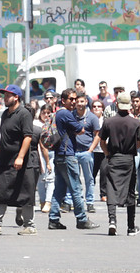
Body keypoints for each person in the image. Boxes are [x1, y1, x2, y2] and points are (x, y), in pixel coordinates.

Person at [0, 85, 37, 236]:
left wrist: (20, 157)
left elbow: (28, 136)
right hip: (5, 161)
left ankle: (29, 225)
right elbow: (3, 137)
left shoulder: (24, 114)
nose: (5, 98)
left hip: (21, 163)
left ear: (16, 97)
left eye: (8, 96)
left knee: (25, 194)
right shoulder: (5, 114)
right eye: (4, 95)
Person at [47, 88, 98, 230]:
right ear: (63, 100)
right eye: (71, 99)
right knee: (76, 188)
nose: (74, 102)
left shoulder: (59, 113)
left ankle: (54, 218)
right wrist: (76, 127)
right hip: (67, 155)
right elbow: (81, 129)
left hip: (60, 154)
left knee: (60, 189)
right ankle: (82, 219)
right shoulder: (65, 113)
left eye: (75, 99)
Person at [98, 92, 140, 236]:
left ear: (117, 104)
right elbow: (139, 142)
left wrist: (107, 154)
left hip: (114, 157)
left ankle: (112, 221)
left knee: (111, 188)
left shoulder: (109, 122)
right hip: (129, 158)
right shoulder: (136, 123)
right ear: (129, 106)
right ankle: (130, 226)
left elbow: (102, 141)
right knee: (130, 191)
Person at [73, 88, 100, 213]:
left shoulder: (92, 117)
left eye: (82, 101)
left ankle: (90, 202)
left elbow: (97, 135)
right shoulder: (71, 115)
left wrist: (90, 150)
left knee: (89, 179)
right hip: (73, 152)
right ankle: (72, 201)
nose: (79, 104)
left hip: (86, 152)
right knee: (73, 178)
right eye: (78, 101)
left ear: (86, 102)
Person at [34, 104, 55, 213]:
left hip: (52, 152)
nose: (46, 115)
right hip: (40, 153)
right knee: (41, 179)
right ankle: (42, 201)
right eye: (44, 113)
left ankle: (48, 201)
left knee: (51, 178)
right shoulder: (36, 124)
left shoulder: (53, 123)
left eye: (48, 113)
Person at [90, 100, 107, 202]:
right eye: (94, 106)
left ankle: (103, 194)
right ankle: (90, 193)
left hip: (104, 150)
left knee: (104, 172)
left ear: (102, 108)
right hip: (93, 150)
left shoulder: (106, 121)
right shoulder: (89, 119)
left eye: (99, 106)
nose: (97, 108)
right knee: (92, 174)